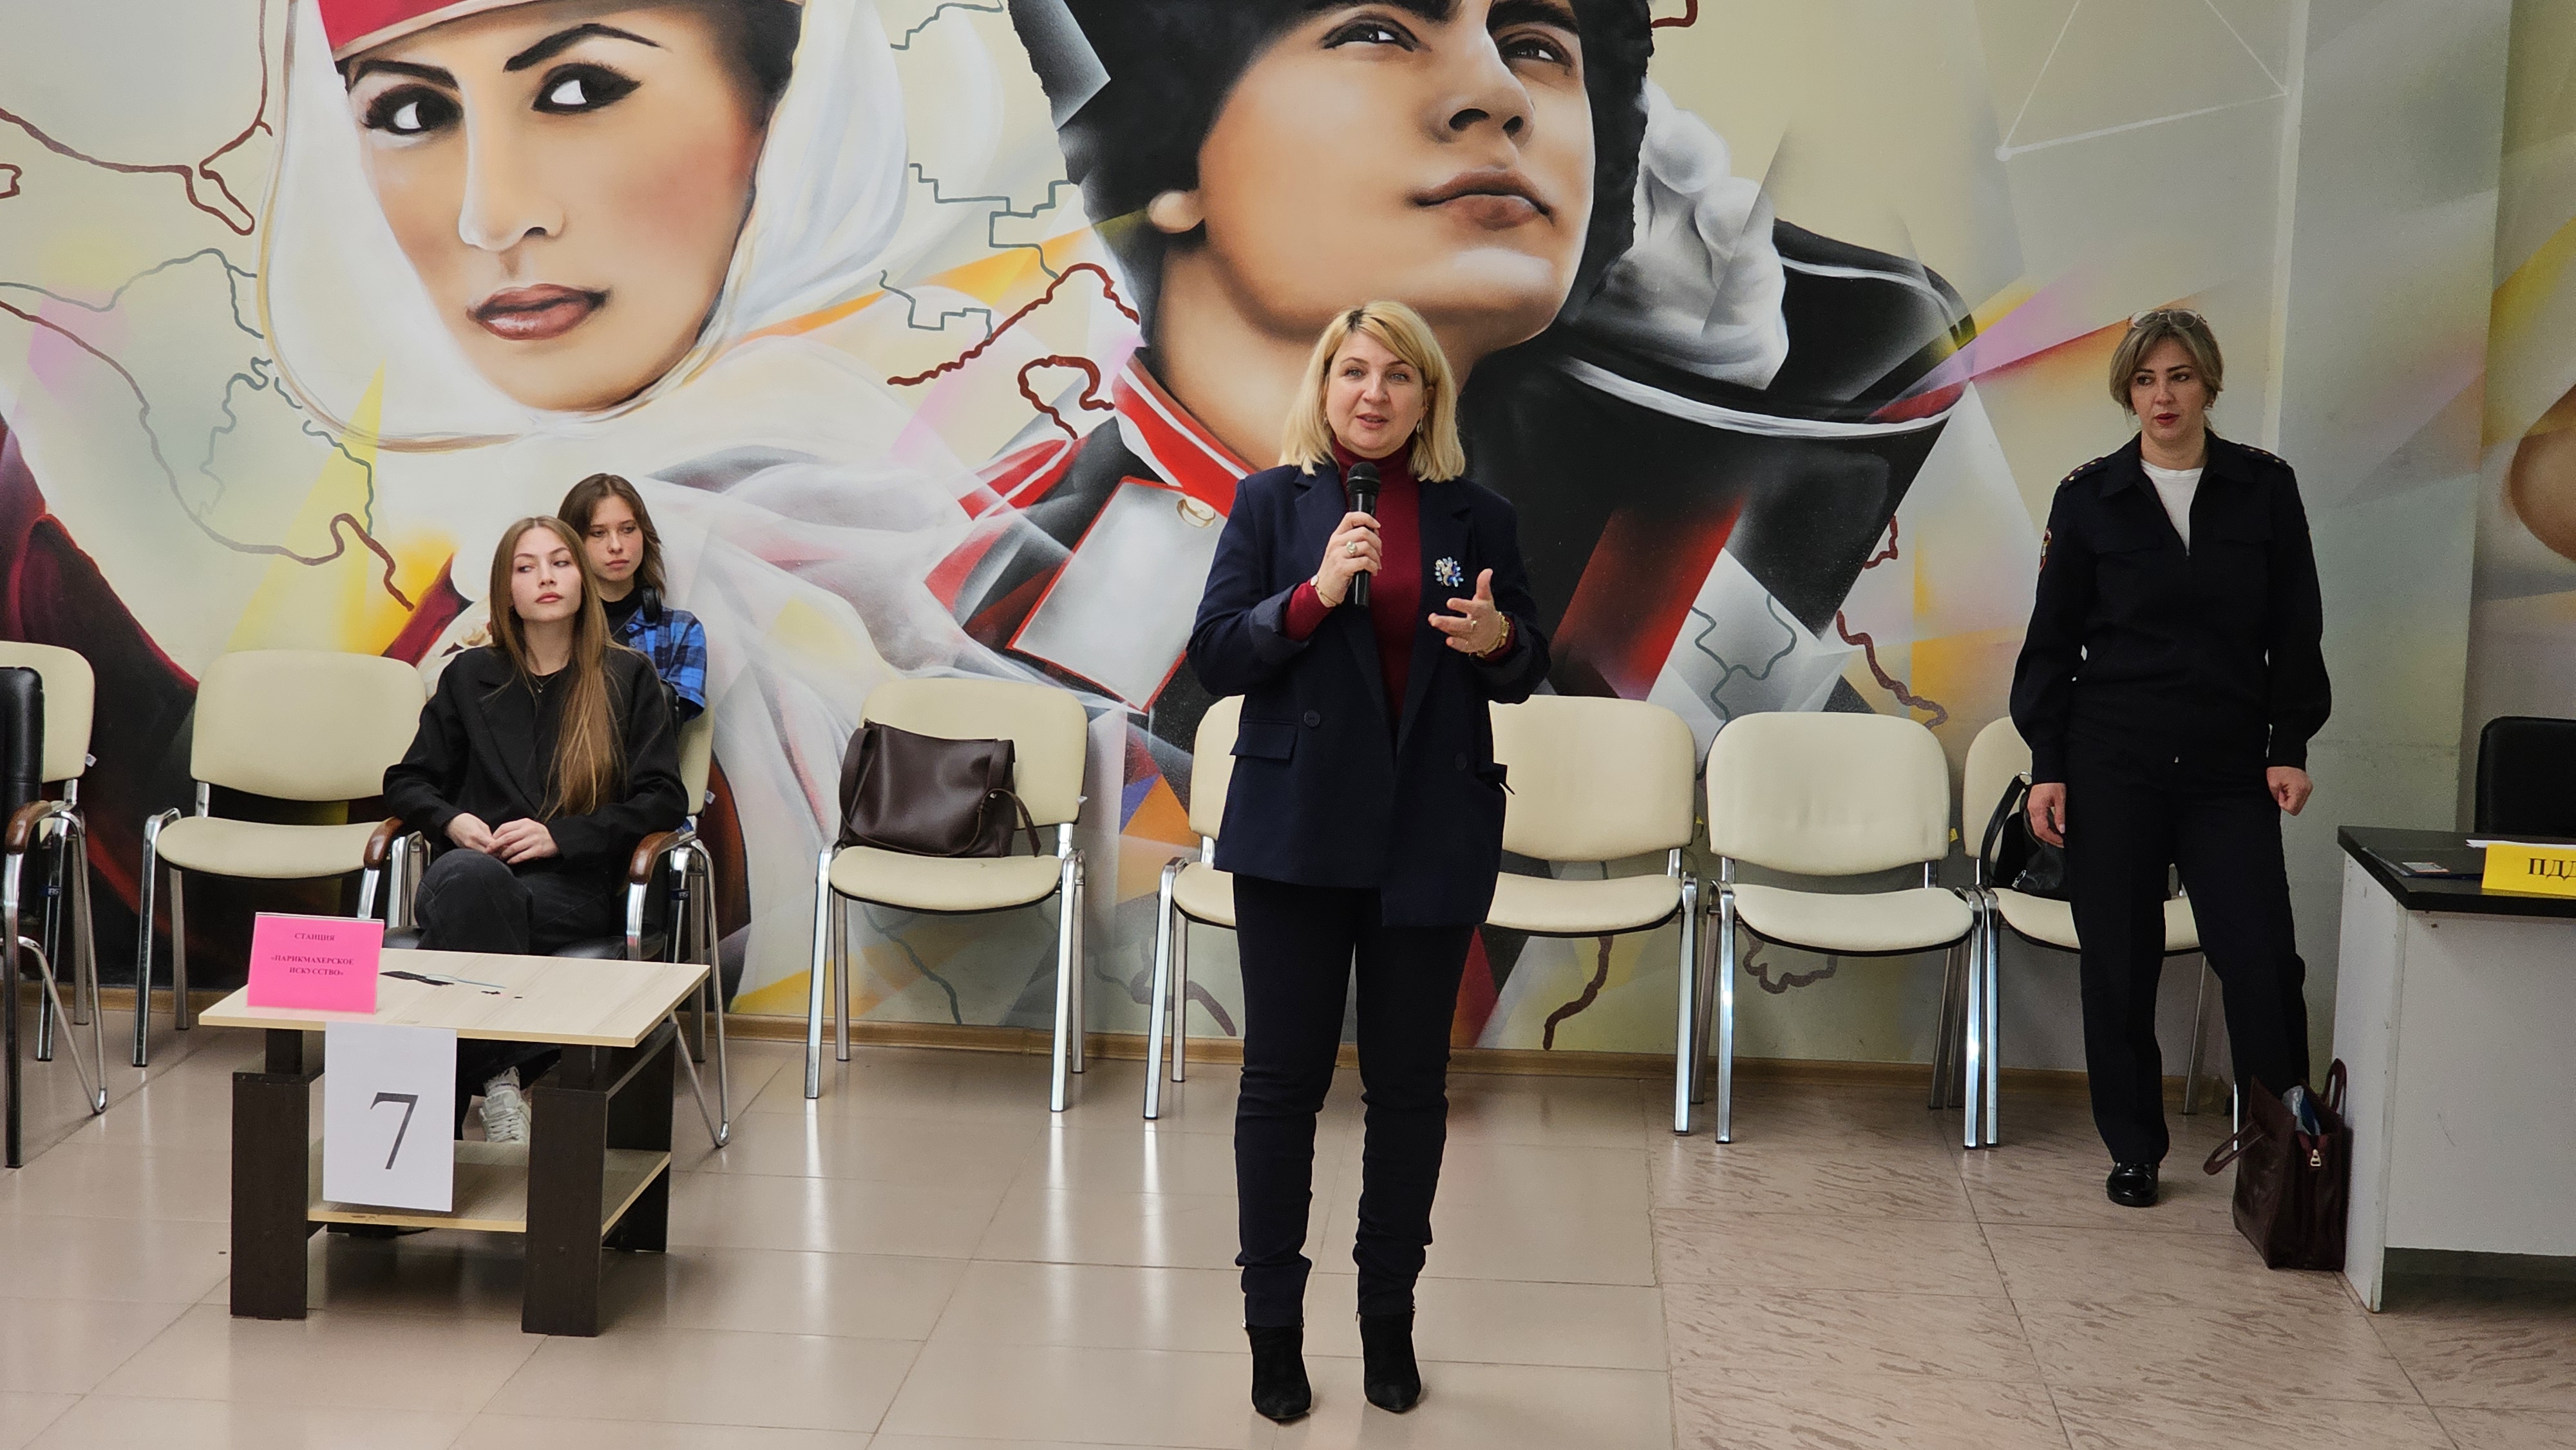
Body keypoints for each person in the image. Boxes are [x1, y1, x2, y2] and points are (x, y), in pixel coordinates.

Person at [1187, 303, 1548, 1420]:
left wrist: (1498, 642)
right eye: (1353, 372)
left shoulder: (1479, 516)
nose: (1374, 393)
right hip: (1297, 834)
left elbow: (1524, 661)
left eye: (1398, 375)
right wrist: (1310, 597)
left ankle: (1388, 1319)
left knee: (1408, 1090)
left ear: (1429, 396)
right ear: (1325, 387)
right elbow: (1216, 655)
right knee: (1281, 1086)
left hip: (1428, 833)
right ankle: (1274, 1331)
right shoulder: (1271, 503)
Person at [2008, 308, 2330, 1209]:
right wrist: (2049, 762)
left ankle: (2282, 1154)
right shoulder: (2089, 497)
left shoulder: (2264, 488)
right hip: (2114, 759)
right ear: (2128, 391)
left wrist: (2289, 745)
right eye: (2146, 380)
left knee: (2262, 961)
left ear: (2208, 384)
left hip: (2228, 766)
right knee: (2119, 963)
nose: (2163, 396)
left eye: (2180, 376)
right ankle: (2134, 1149)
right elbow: (2051, 641)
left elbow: (2294, 627)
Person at [384, 517, 687, 1140]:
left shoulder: (627, 678)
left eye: (560, 562)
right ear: (506, 590)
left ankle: (433, 1129)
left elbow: (663, 799)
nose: (545, 577)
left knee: (463, 919)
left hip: (566, 889)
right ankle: (504, 1081)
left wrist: (563, 837)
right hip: (466, 874)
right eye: (526, 567)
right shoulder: (467, 677)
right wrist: (452, 820)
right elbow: (407, 781)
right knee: (471, 881)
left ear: (582, 579)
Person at [559, 473, 708, 724]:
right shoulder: (554, 627)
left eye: (628, 529)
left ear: (644, 534)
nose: (616, 545)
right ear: (573, 543)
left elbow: (662, 729)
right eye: (598, 533)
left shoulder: (681, 631)